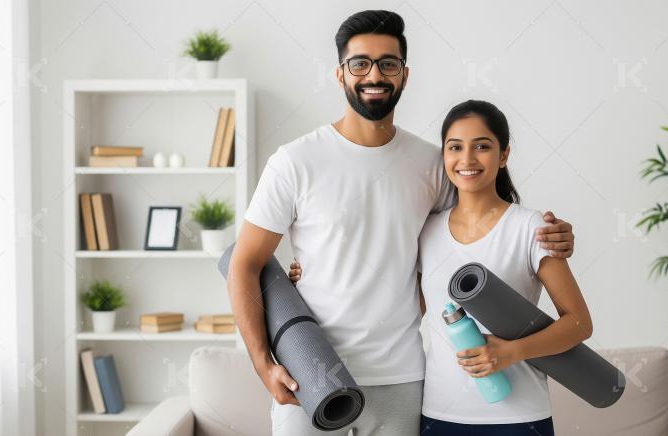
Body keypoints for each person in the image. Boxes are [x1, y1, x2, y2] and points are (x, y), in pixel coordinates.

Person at [227, 10, 576, 436]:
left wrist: (550, 238)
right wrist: (264, 365)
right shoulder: (294, 162)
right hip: (311, 374)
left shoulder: (433, 164)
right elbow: (244, 264)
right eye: (360, 63)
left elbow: (479, 232)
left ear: (404, 75)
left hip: (403, 378)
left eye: (388, 63)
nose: (374, 74)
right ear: (340, 74)